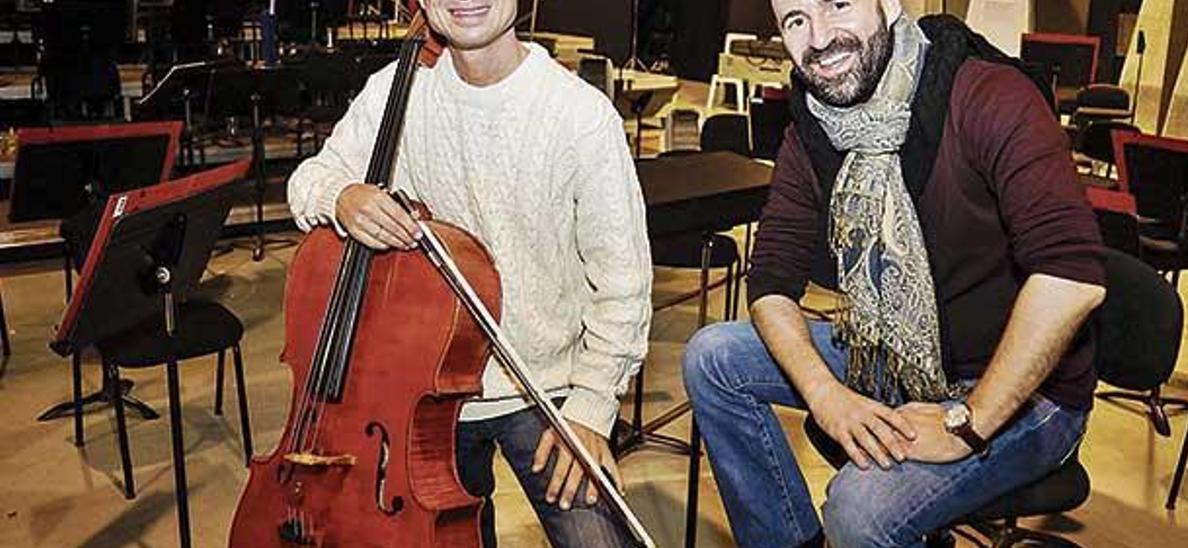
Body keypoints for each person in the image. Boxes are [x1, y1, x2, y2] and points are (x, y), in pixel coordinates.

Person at [682, 1, 1106, 546]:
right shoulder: (812, 126)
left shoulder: (988, 96)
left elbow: (1071, 276)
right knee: (713, 357)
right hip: (891, 352)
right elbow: (770, 281)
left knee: (859, 509)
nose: (820, 38)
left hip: (1022, 389)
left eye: (838, 5)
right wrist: (825, 396)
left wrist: (969, 424)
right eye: (795, 20)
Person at [286, 1, 652, 546]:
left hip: (548, 390)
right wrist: (341, 197)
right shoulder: (397, 91)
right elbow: (308, 179)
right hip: (419, 394)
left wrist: (594, 407)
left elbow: (623, 283)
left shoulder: (579, 115)